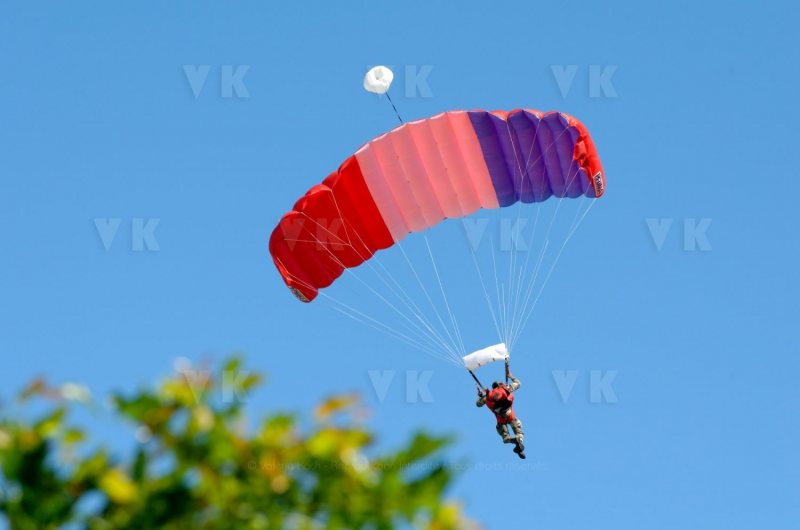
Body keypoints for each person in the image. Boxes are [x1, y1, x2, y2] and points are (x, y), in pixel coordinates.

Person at [476, 369, 525, 458]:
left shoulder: (487, 398)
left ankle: (516, 443)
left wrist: (481, 396)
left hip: (501, 421)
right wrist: (511, 376)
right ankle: (519, 444)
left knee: (506, 439)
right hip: (511, 416)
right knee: (520, 435)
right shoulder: (507, 389)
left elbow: (478, 404)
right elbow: (518, 383)